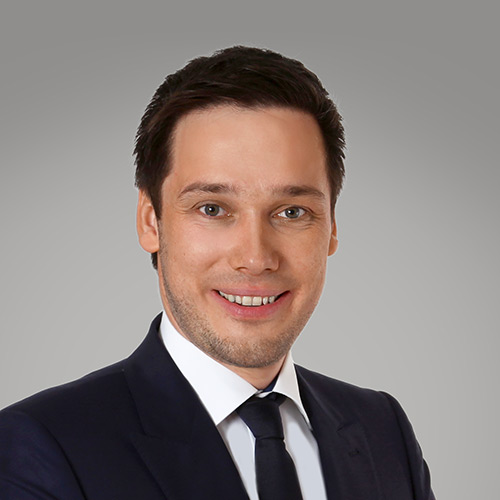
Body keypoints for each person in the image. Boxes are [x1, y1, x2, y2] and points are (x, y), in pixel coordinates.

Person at [0, 46, 435, 500]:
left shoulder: (383, 430)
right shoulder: (40, 447)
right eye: (212, 208)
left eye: (291, 211)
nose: (255, 257)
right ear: (151, 222)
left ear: (331, 228)